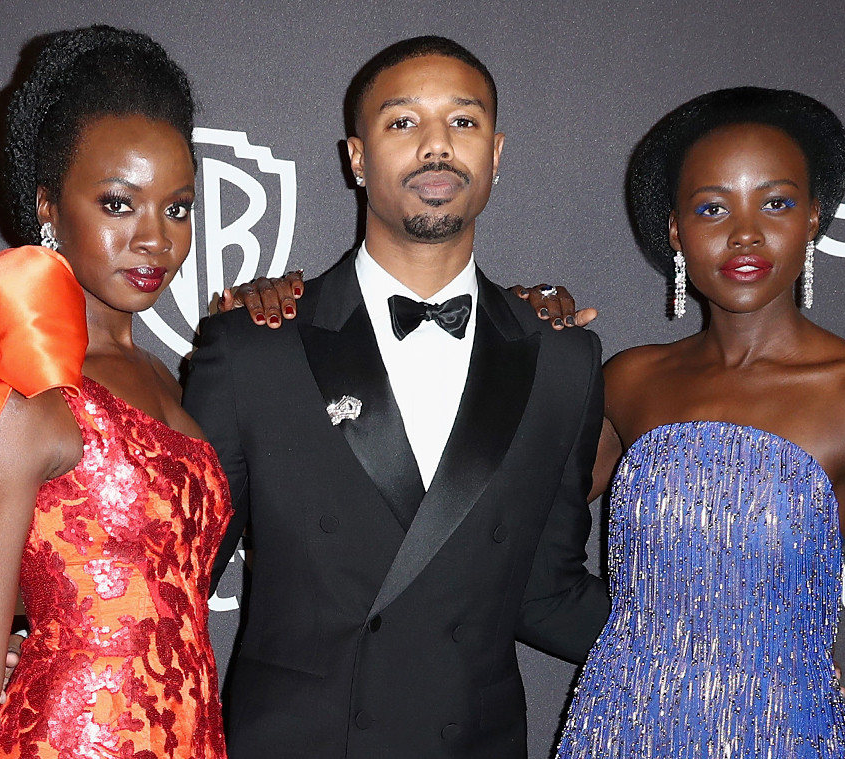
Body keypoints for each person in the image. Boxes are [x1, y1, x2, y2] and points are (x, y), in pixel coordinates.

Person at [183, 36, 610, 758]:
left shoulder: (563, 359)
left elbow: (545, 591)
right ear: (357, 158)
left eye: (464, 123)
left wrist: (704, 647)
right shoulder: (255, 347)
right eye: (404, 122)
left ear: (497, 156)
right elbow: (178, 577)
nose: (436, 147)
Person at [554, 87, 845, 757]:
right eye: (712, 207)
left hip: (785, 738)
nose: (746, 232)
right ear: (676, 230)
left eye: (777, 202)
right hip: (618, 732)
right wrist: (518, 332)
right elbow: (507, 525)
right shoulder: (629, 380)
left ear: (814, 216)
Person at [0, 26, 229, 759]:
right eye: (120, 204)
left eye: (177, 207)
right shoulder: (20, 389)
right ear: (48, 207)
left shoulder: (163, 377)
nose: (156, 239)